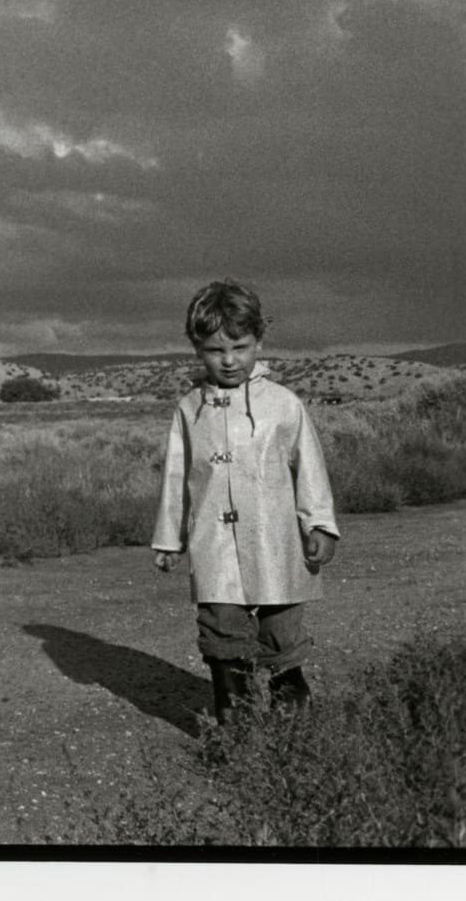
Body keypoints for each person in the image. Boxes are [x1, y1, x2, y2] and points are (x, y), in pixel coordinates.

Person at [152, 279, 340, 724]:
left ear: (259, 341)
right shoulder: (189, 409)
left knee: (281, 635)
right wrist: (169, 539)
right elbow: (177, 476)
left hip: (276, 541)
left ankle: (293, 730)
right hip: (214, 543)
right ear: (197, 348)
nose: (229, 360)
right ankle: (234, 734)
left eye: (240, 347)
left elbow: (309, 467)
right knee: (221, 632)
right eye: (215, 350)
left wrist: (319, 524)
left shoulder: (283, 405)